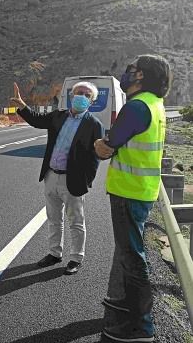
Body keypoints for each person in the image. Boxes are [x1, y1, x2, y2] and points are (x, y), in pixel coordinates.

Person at [94, 54, 172, 342]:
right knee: (132, 253)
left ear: (140, 76)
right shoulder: (156, 104)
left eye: (131, 70)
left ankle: (141, 326)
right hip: (143, 190)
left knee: (132, 257)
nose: (126, 74)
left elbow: (107, 146)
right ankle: (130, 308)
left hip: (128, 192)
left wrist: (98, 145)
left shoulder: (136, 107)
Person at [11, 81, 104, 275]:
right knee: (53, 219)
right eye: (79, 92)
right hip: (51, 175)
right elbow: (37, 120)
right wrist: (22, 106)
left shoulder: (94, 125)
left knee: (76, 222)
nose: (82, 96)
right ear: (71, 95)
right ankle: (54, 253)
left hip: (74, 180)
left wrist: (86, 180)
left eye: (87, 95)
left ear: (92, 101)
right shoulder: (58, 116)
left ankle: (76, 258)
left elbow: (95, 158)